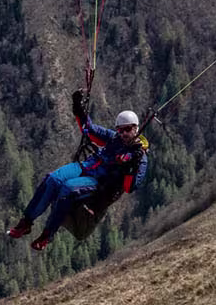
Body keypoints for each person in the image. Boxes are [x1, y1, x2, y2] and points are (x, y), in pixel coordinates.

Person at [9, 91, 149, 249]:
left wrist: (132, 165)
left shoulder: (140, 158)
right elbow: (90, 130)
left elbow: (129, 187)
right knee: (52, 179)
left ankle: (47, 235)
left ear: (136, 128)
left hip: (99, 182)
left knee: (67, 189)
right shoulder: (113, 138)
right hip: (85, 166)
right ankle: (26, 222)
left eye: (127, 129)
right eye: (120, 130)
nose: (123, 134)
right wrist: (78, 109)